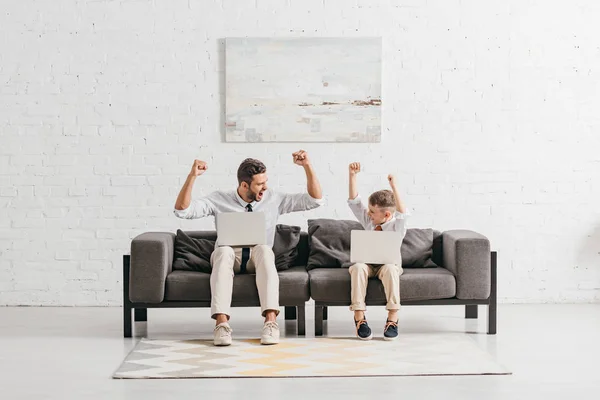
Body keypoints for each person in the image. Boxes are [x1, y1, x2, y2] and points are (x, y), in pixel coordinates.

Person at [173, 151, 323, 346]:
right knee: (223, 251)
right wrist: (192, 176)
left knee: (264, 249)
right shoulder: (219, 199)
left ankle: (270, 323)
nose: (265, 187)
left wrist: (307, 166)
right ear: (244, 185)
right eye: (260, 184)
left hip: (257, 257)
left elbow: (315, 200)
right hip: (229, 257)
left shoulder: (273, 198)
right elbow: (182, 211)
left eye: (265, 182)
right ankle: (222, 325)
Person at [346, 162, 409, 341]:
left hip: (387, 266)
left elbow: (403, 213)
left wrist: (394, 186)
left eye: (373, 212)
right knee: (357, 267)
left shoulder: (397, 226)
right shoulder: (369, 221)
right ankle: (359, 318)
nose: (369, 214)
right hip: (367, 264)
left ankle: (392, 319)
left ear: (387, 215)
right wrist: (352, 175)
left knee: (390, 268)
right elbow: (354, 202)